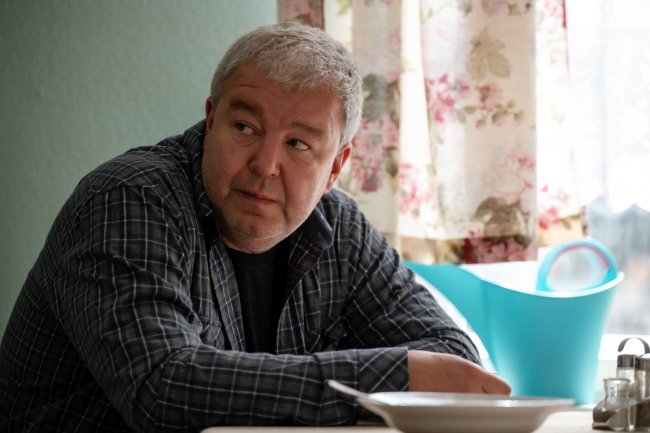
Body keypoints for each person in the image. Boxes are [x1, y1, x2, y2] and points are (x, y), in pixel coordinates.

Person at [0, 22, 510, 432]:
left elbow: (452, 361)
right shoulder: (128, 199)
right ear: (211, 119)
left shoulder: (340, 227)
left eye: (298, 144)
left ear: (336, 167)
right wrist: (390, 376)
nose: (265, 165)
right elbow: (163, 388)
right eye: (245, 128)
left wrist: (402, 375)